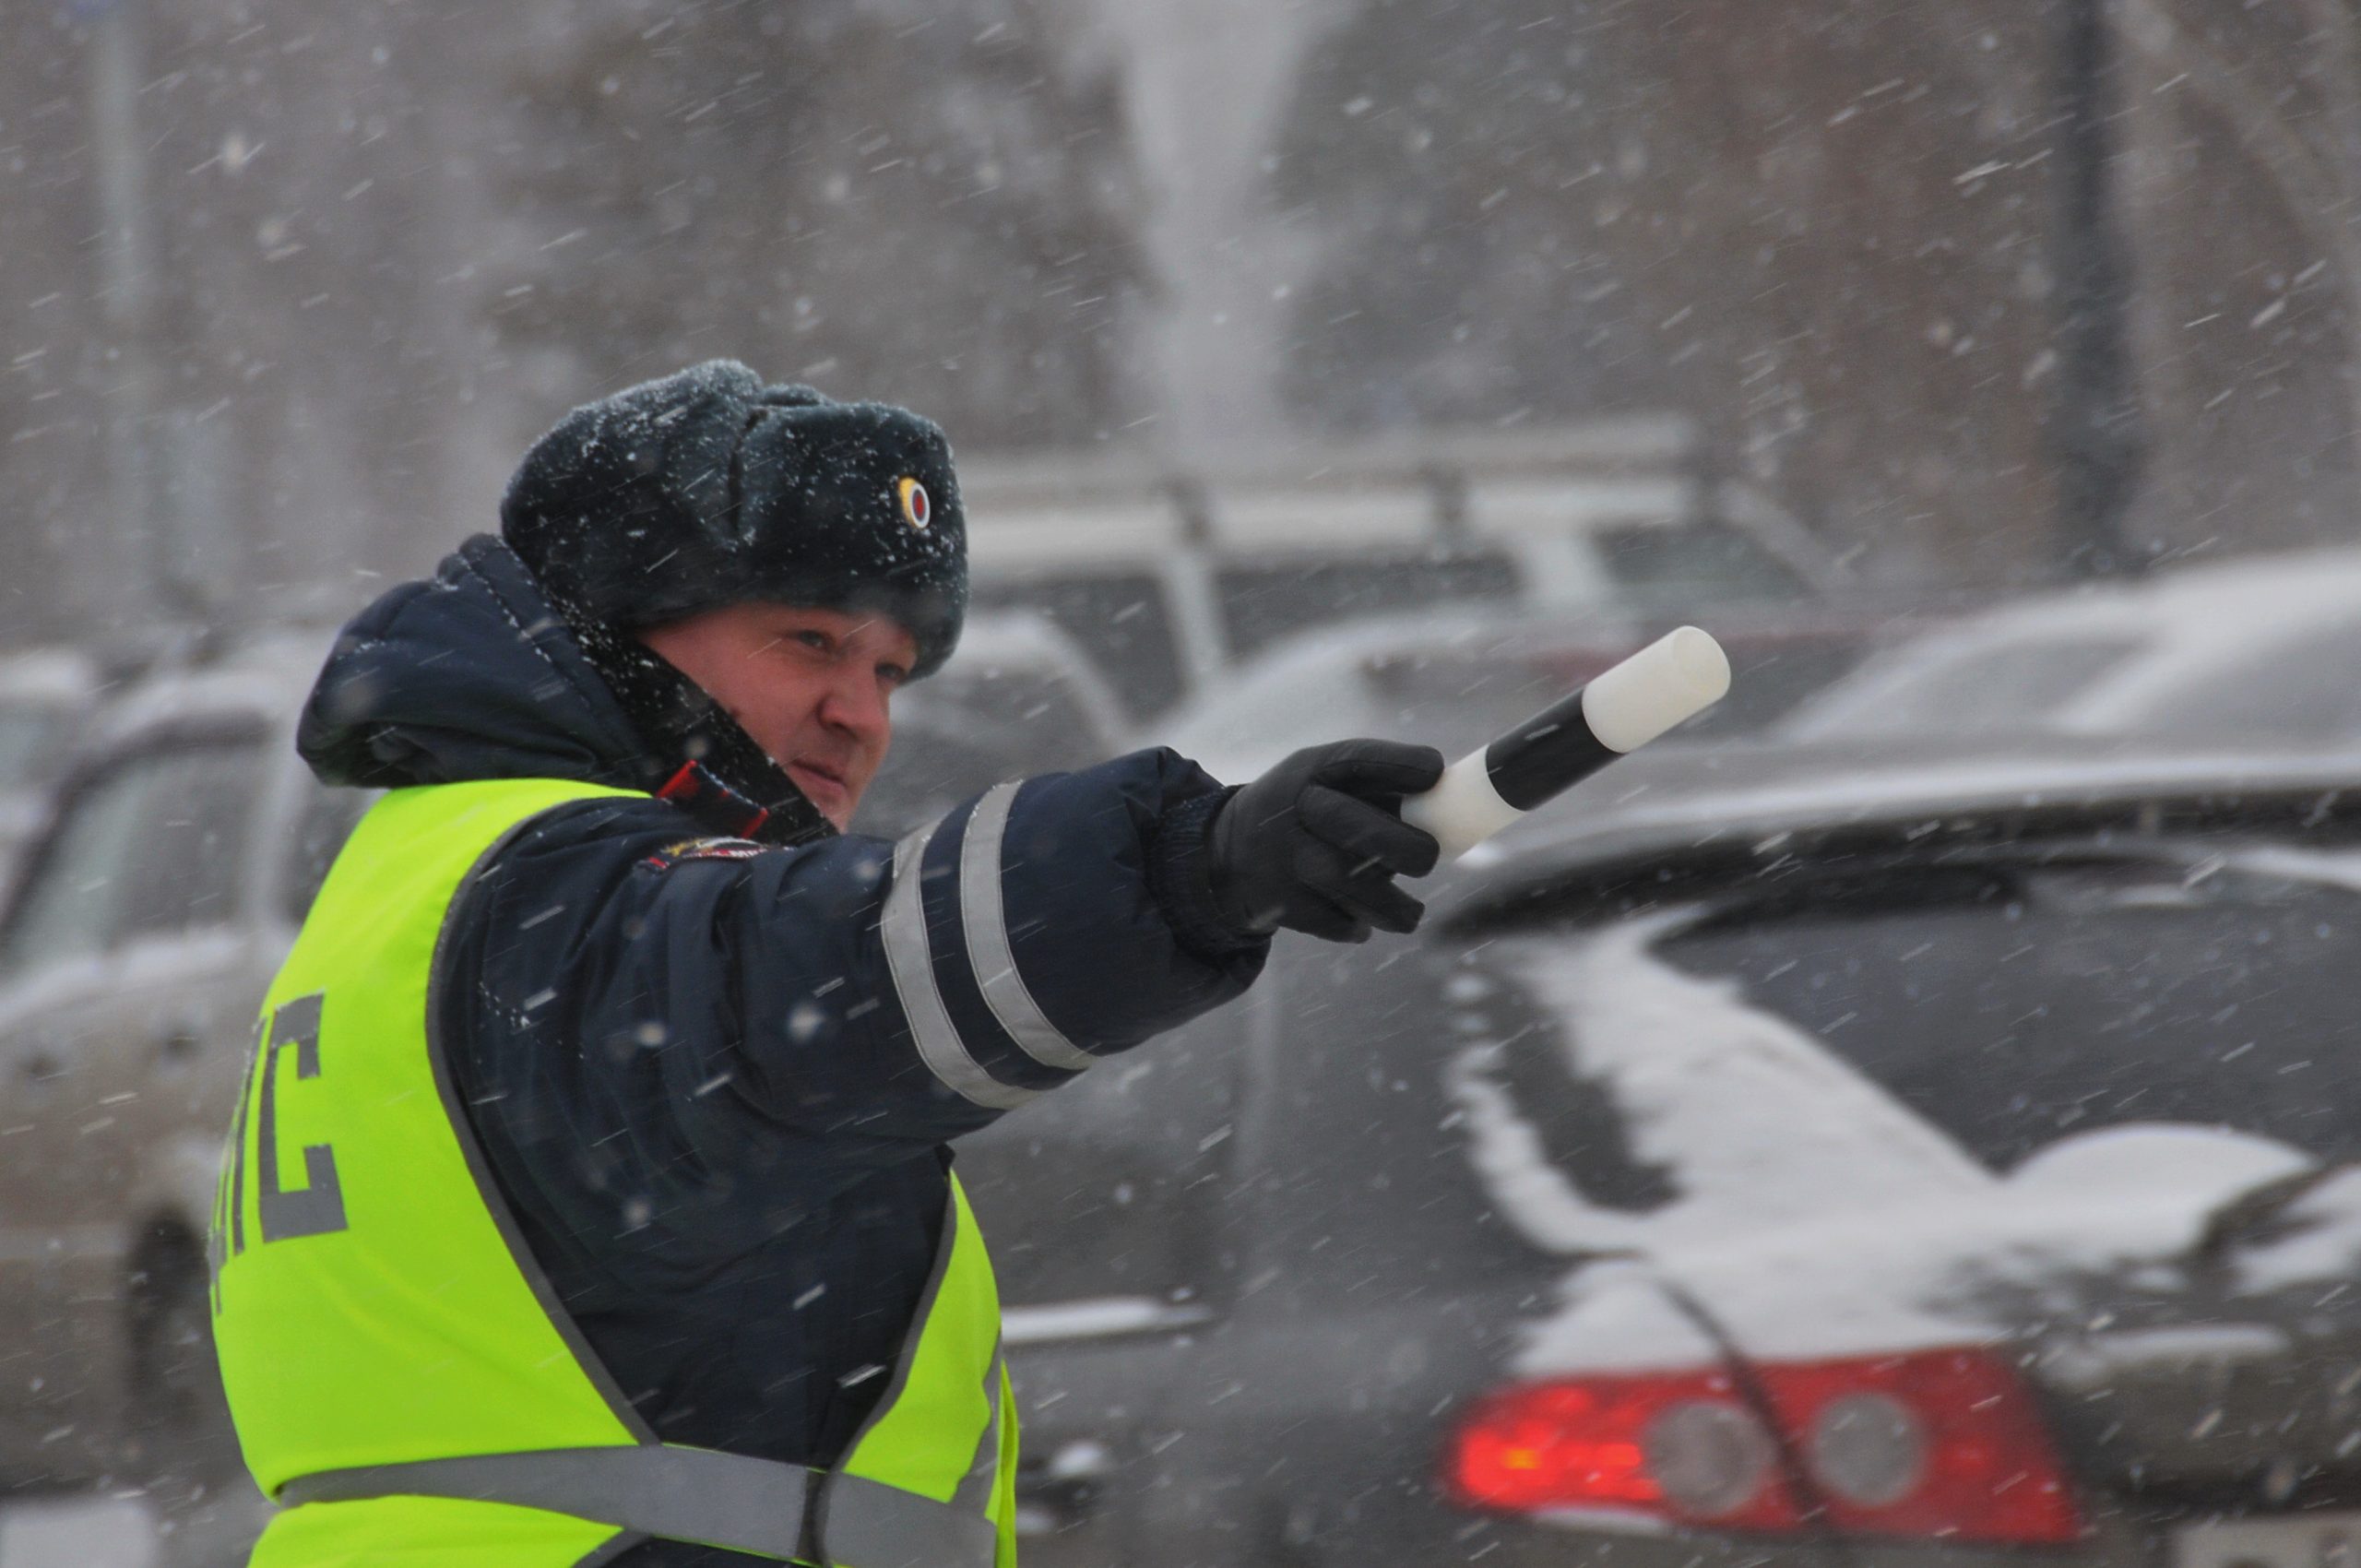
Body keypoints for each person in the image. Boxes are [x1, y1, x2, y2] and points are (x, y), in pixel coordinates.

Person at [208, 362, 1442, 1568]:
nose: (862, 712)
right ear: (613, 636)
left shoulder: (426, 881)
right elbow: (824, 977)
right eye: (809, 641)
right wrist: (1188, 864)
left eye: (889, 672)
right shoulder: (560, 898)